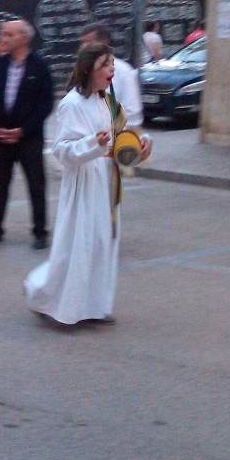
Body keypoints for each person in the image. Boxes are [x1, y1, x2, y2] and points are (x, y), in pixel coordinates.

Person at [23, 42, 152, 326]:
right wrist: (94, 144)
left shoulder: (107, 101)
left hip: (106, 181)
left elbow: (122, 136)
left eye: (112, 63)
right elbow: (62, 150)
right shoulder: (72, 104)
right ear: (88, 68)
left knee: (101, 244)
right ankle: (51, 298)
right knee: (78, 246)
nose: (112, 69)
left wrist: (140, 145)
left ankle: (94, 306)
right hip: (83, 183)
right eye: (105, 64)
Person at [0, 18, 54, 249]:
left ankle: (40, 232)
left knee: (36, 185)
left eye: (9, 35)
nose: (3, 39)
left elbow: (46, 104)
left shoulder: (39, 67)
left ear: (23, 37)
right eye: (3, 34)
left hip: (28, 139)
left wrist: (23, 130)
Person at [79, 21, 144, 127]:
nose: (84, 48)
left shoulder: (123, 72)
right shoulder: (82, 70)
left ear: (104, 43)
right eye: (82, 43)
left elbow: (133, 114)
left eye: (88, 43)